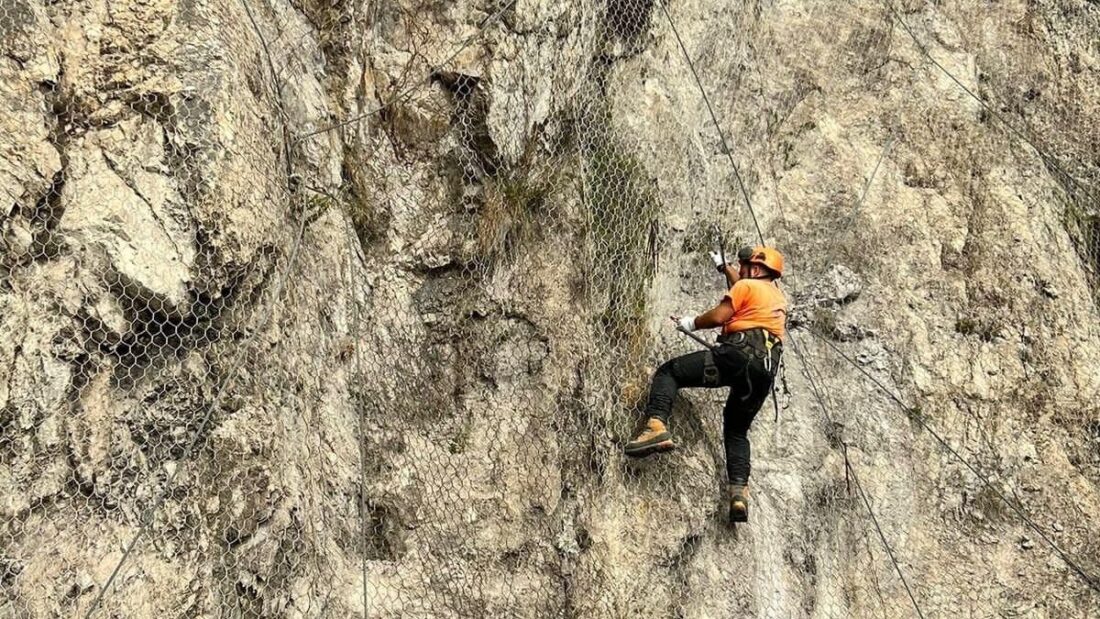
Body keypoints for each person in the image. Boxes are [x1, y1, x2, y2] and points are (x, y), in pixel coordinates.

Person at [624, 245, 787, 522]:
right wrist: (725, 268)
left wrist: (692, 322)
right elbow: (743, 287)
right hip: (764, 372)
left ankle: (656, 426)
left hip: (738, 355)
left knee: (670, 372)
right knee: (736, 431)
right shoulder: (776, 298)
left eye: (744, 267)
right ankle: (739, 494)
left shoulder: (747, 286)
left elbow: (721, 315)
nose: (741, 272)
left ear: (756, 269)